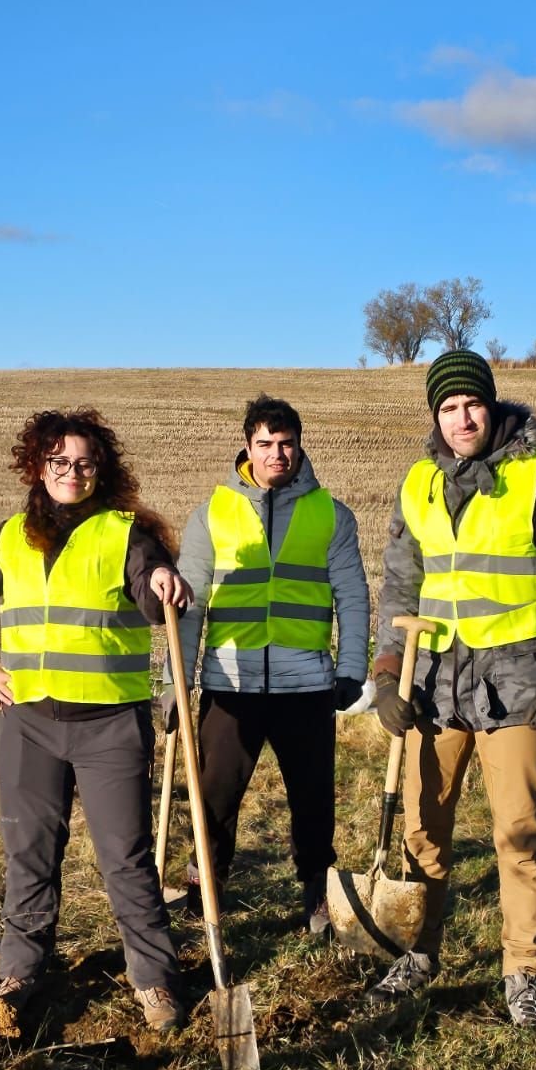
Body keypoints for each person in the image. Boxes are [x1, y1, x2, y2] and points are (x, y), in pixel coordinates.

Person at [371, 349, 536, 1028]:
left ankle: (523, 970)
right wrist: (388, 673)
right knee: (424, 831)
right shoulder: (416, 484)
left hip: (519, 682)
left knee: (519, 832)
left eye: (472, 403)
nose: (461, 417)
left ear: (493, 405)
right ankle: (418, 952)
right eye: (447, 407)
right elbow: (398, 587)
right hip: (436, 684)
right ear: (435, 417)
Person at [0, 407, 193, 1031]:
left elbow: (149, 581)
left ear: (98, 469)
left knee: (126, 858)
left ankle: (155, 980)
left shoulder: (125, 534)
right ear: (39, 466)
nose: (71, 472)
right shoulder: (11, 537)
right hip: (27, 723)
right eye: (59, 462)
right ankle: (22, 971)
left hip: (110, 726)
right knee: (28, 853)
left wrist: (163, 578)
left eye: (83, 463)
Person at [163, 394, 369, 924]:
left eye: (286, 444)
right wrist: (176, 684)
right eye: (265, 444)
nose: (276, 454)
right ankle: (202, 888)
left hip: (307, 685)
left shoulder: (331, 515)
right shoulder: (211, 514)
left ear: (299, 447)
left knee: (314, 800)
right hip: (230, 686)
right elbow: (187, 608)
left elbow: (352, 595)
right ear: (247, 447)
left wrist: (351, 670)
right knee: (214, 796)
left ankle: (317, 893)